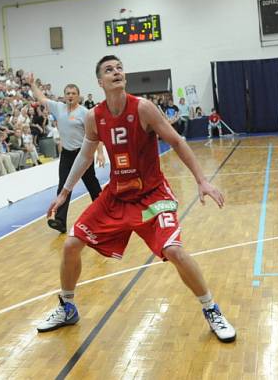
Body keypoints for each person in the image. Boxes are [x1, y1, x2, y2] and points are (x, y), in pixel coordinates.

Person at [36, 55, 236, 345]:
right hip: (117, 196)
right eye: (109, 70)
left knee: (175, 251)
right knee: (70, 245)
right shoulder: (94, 117)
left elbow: (177, 142)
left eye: (119, 68)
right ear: (100, 82)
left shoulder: (143, 108)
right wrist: (64, 192)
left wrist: (201, 180)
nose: (116, 72)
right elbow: (85, 155)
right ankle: (67, 307)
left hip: (152, 195)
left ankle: (212, 309)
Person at [28, 74, 104, 233]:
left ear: (78, 96)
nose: (70, 96)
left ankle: (105, 215)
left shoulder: (85, 113)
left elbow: (96, 134)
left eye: (73, 93)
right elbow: (41, 98)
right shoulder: (58, 107)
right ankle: (60, 221)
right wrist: (32, 84)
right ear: (64, 96)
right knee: (63, 186)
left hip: (83, 155)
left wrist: (100, 153)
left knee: (92, 185)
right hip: (67, 155)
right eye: (67, 93)